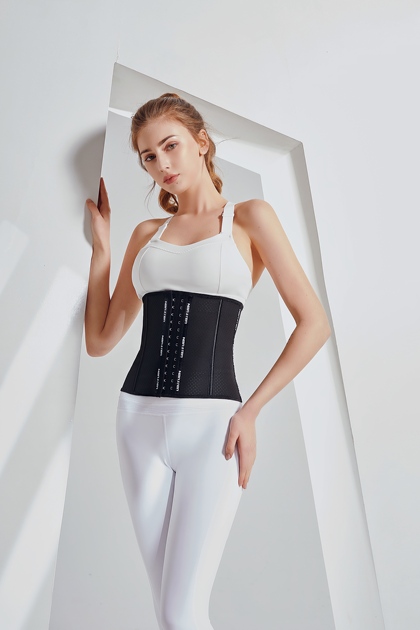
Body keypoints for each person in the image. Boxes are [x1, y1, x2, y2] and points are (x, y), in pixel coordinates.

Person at [85, 93, 331, 630]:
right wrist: (102, 252)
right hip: (136, 421)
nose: (162, 164)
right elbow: (100, 340)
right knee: (169, 612)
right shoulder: (146, 235)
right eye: (148, 156)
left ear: (201, 143)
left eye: (170, 146)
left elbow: (314, 323)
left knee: (181, 611)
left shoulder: (249, 218)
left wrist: (251, 410)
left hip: (213, 427)